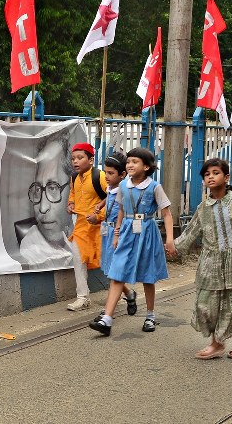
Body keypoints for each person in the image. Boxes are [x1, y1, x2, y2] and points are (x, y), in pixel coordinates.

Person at [167, 158, 232, 360]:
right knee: (207, 303)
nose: (210, 176)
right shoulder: (204, 208)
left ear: (226, 177)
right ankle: (217, 344)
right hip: (210, 264)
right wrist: (173, 247)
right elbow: (191, 232)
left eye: (215, 173)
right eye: (207, 174)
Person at [89, 147, 173, 336]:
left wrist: (169, 239)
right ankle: (107, 319)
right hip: (126, 230)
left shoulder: (154, 187)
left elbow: (167, 214)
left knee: (147, 275)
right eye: (129, 161)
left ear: (146, 167)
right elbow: (120, 210)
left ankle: (150, 315)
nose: (130, 164)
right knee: (117, 272)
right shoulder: (124, 186)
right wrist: (116, 234)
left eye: (135, 162)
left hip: (147, 231)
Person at [16, 133, 75, 270]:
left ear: (72, 186)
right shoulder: (32, 244)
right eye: (37, 190)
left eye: (53, 188)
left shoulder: (86, 222)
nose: (42, 208)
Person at [94, 152, 137, 316]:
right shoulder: (111, 187)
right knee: (110, 270)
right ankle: (129, 293)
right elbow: (109, 195)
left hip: (117, 235)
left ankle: (108, 311)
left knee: (115, 272)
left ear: (122, 175)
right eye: (106, 172)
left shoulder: (126, 191)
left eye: (111, 173)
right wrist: (101, 203)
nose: (107, 176)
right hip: (107, 232)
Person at [65, 142, 106, 311]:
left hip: (101, 228)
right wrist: (71, 204)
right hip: (81, 226)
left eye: (80, 157)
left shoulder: (100, 177)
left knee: (107, 263)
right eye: (73, 158)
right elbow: (73, 194)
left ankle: (126, 292)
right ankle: (83, 297)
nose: (75, 161)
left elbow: (114, 198)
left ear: (91, 160)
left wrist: (98, 216)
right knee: (77, 258)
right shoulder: (74, 177)